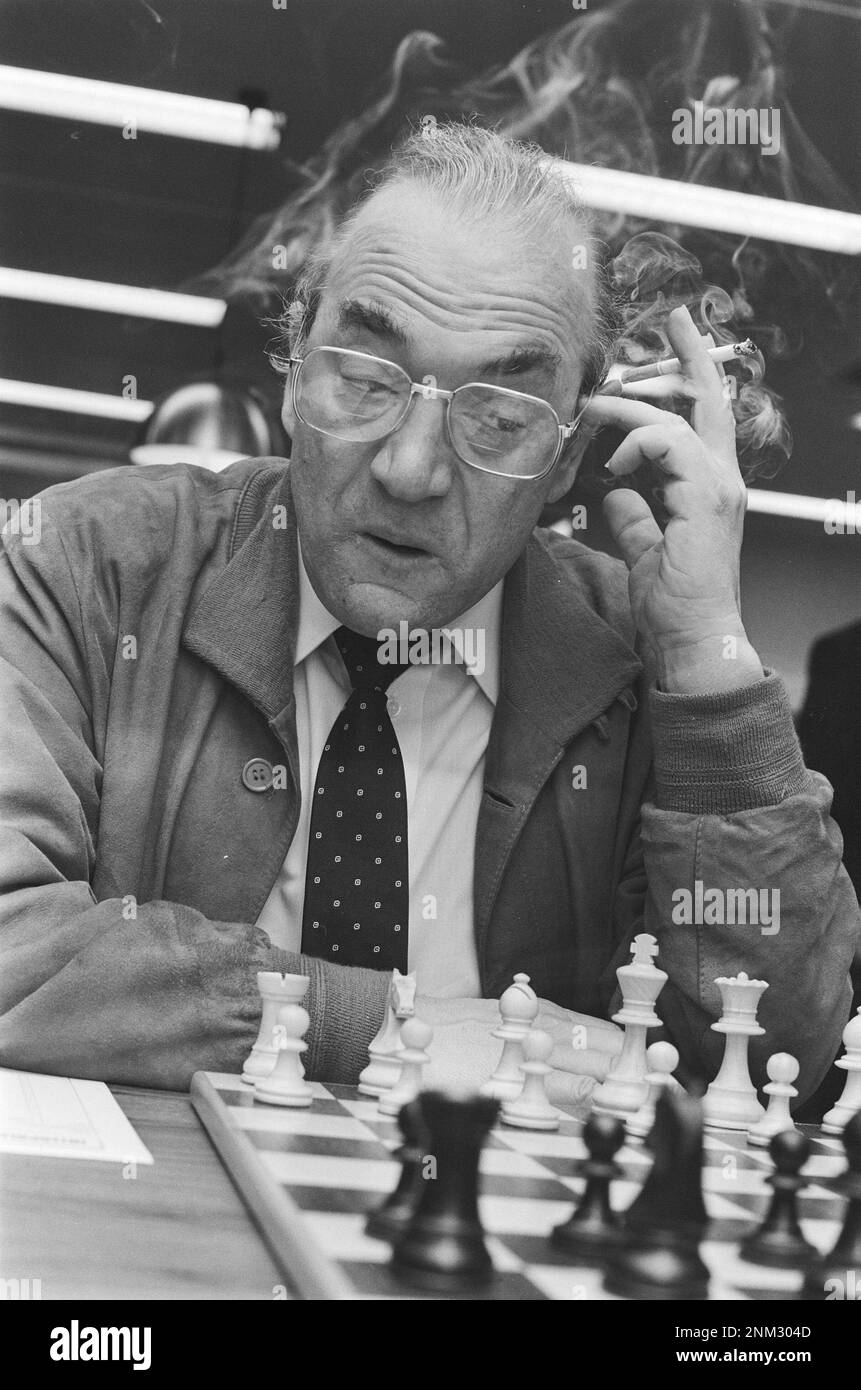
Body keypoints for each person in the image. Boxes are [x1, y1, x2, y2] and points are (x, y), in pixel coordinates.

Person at [0, 125, 855, 1105]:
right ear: (291, 377)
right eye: (364, 381)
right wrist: (369, 1027)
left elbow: (780, 1051)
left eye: (498, 418)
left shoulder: (637, 653)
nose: (410, 468)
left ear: (567, 458)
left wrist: (707, 655)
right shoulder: (85, 568)